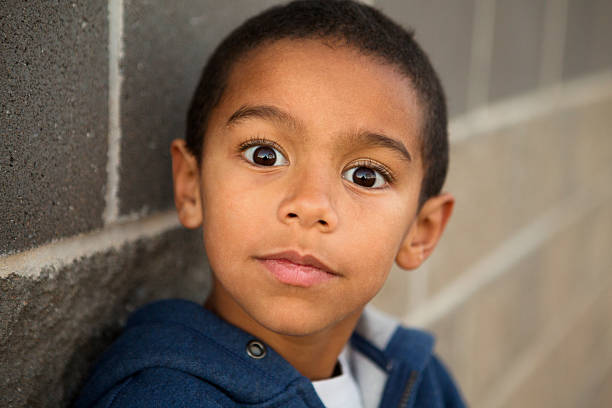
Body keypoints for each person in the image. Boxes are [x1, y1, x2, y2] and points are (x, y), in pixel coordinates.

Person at [75, 1, 465, 406]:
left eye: (365, 176)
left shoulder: (421, 382)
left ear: (421, 231)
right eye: (264, 155)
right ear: (192, 186)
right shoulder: (158, 400)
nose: (310, 205)